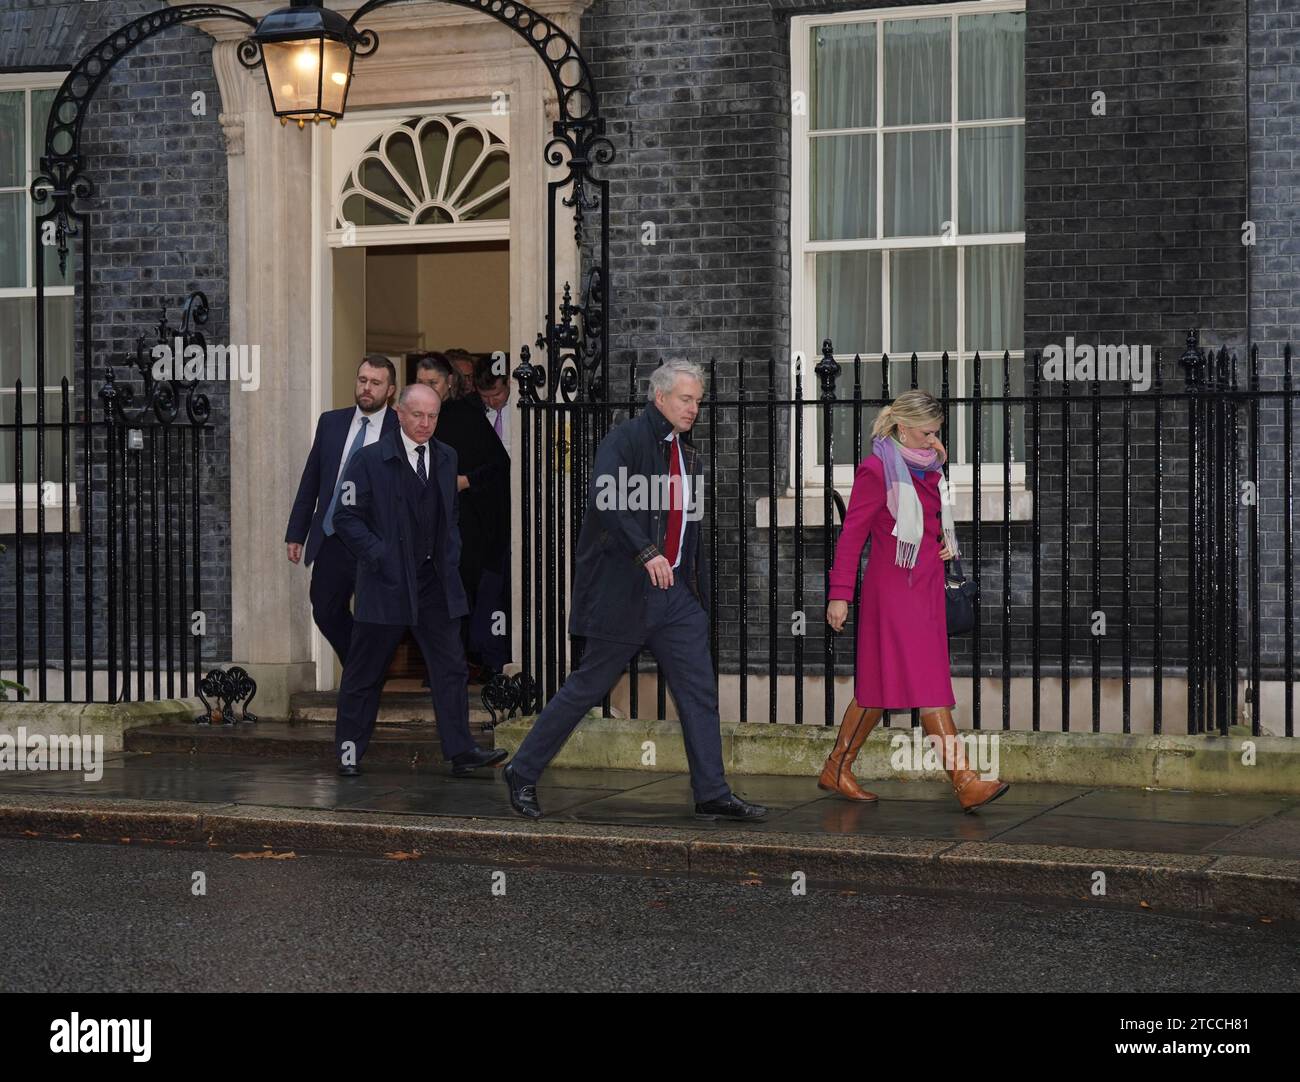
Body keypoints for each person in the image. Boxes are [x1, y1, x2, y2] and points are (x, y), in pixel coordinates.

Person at [503, 359, 768, 823]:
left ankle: (711, 791)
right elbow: (607, 501)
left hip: (676, 598)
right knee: (587, 687)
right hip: (625, 592)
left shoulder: (690, 456)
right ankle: (522, 770)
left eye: (698, 401)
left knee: (698, 692)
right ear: (660, 397)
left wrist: (695, 595)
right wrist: (646, 552)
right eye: (686, 399)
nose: (694, 409)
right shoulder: (624, 439)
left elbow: (689, 530)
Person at [822, 389, 1009, 812]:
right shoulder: (876, 471)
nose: (932, 441)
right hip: (893, 592)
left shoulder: (928, 469)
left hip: (925, 586)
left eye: (937, 434)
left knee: (876, 688)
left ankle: (837, 766)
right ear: (902, 427)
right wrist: (839, 596)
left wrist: (945, 539)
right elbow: (852, 537)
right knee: (928, 683)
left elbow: (930, 521)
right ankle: (965, 781)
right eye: (926, 433)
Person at [330, 381, 506, 778]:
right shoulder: (369, 460)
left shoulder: (447, 457)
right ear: (399, 413)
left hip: (436, 583)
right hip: (386, 582)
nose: (426, 423)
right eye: (418, 415)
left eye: (432, 416)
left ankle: (461, 751)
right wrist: (380, 555)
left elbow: (450, 515)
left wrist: (451, 554)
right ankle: (348, 751)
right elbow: (345, 517)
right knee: (365, 671)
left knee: (451, 669)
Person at [285, 354, 399, 664]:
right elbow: (312, 480)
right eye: (362, 380)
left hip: (374, 538)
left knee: (371, 615)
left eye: (376, 383)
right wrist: (297, 532)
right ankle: (362, 669)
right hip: (332, 534)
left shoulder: (400, 428)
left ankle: (362, 678)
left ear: (390, 390)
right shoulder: (331, 422)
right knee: (324, 608)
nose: (367, 388)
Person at [413, 352, 510, 678]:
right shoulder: (408, 420)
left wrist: (464, 481)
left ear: (449, 383)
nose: (427, 388)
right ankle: (435, 665)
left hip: (464, 526)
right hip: (420, 525)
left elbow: (498, 466)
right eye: (421, 382)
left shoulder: (465, 417)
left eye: (433, 382)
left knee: (457, 595)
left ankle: (454, 664)